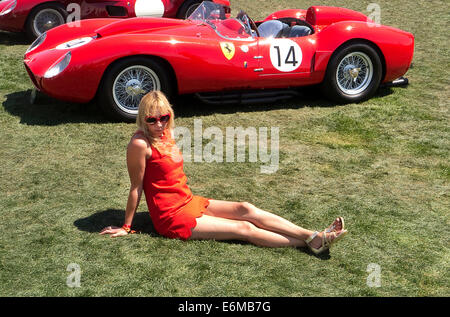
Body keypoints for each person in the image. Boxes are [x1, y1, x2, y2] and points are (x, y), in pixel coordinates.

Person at [100, 91, 347, 254]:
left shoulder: (168, 134)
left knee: (246, 209)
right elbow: (136, 187)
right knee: (244, 230)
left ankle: (312, 236)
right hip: (171, 217)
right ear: (143, 119)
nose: (159, 124)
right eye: (152, 120)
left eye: (163, 118)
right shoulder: (140, 144)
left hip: (188, 201)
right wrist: (126, 226)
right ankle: (310, 242)